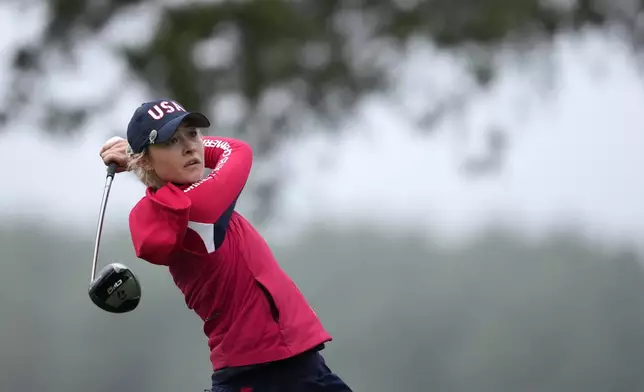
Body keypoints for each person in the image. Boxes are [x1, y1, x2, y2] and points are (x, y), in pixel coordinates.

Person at [99, 99, 353, 392]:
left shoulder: (167, 208)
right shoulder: (199, 207)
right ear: (145, 160)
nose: (190, 147)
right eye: (171, 141)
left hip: (274, 365)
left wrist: (138, 157)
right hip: (273, 370)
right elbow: (238, 151)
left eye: (193, 134)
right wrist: (134, 155)